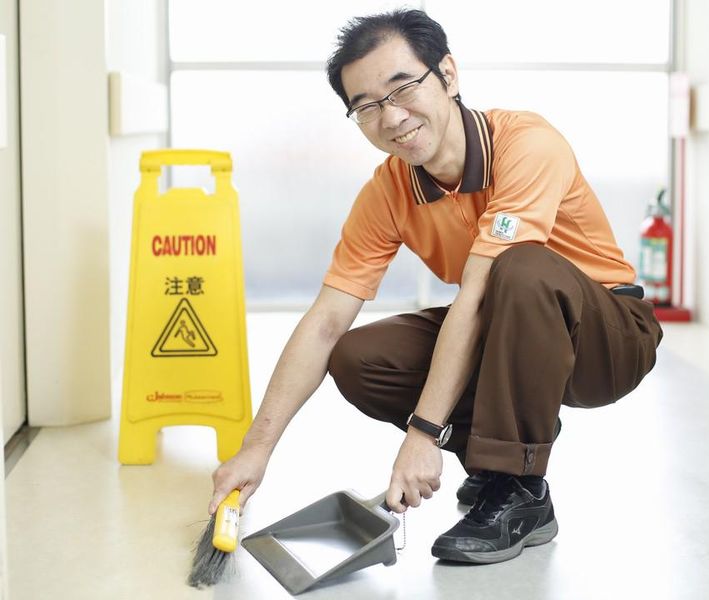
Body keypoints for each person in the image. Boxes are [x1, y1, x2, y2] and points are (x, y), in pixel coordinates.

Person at [208, 8, 663, 564]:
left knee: (519, 266)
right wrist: (256, 451)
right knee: (358, 357)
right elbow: (326, 322)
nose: (392, 117)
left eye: (402, 88)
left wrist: (422, 435)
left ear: (447, 74)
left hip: (608, 337)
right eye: (367, 106)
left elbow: (479, 292)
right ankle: (504, 470)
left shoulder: (527, 143)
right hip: (507, 329)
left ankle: (515, 484)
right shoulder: (387, 192)